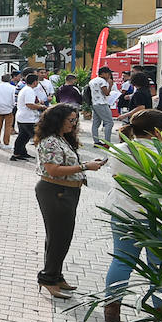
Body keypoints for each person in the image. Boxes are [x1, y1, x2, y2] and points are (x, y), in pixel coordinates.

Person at [101, 110, 162, 322]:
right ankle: (160, 318)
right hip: (157, 216)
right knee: (160, 268)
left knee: (121, 260)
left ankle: (112, 308)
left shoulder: (119, 150)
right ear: (157, 131)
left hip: (123, 212)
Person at [34, 104, 107, 299]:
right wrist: (85, 167)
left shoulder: (62, 139)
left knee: (61, 237)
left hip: (67, 191)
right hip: (55, 190)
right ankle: (48, 278)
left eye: (75, 120)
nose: (73, 124)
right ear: (58, 120)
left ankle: (55, 275)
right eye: (70, 120)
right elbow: (53, 170)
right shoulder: (50, 141)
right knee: (58, 237)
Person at [11, 74, 46, 162]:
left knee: (23, 136)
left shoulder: (26, 89)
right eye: (37, 81)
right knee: (36, 137)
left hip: (23, 117)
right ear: (34, 82)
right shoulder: (29, 90)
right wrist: (41, 107)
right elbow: (29, 104)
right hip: (28, 118)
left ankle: (19, 153)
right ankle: (44, 155)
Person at [87, 67, 114, 144]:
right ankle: (107, 142)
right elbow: (106, 93)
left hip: (95, 103)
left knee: (96, 123)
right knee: (109, 122)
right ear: (103, 74)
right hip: (102, 103)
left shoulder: (92, 81)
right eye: (108, 73)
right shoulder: (102, 81)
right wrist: (110, 85)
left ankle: (96, 141)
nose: (109, 75)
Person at [0, 74, 18, 146]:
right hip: (8, 109)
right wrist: (13, 106)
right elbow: (13, 99)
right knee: (7, 127)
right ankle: (6, 143)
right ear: (9, 79)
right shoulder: (12, 88)